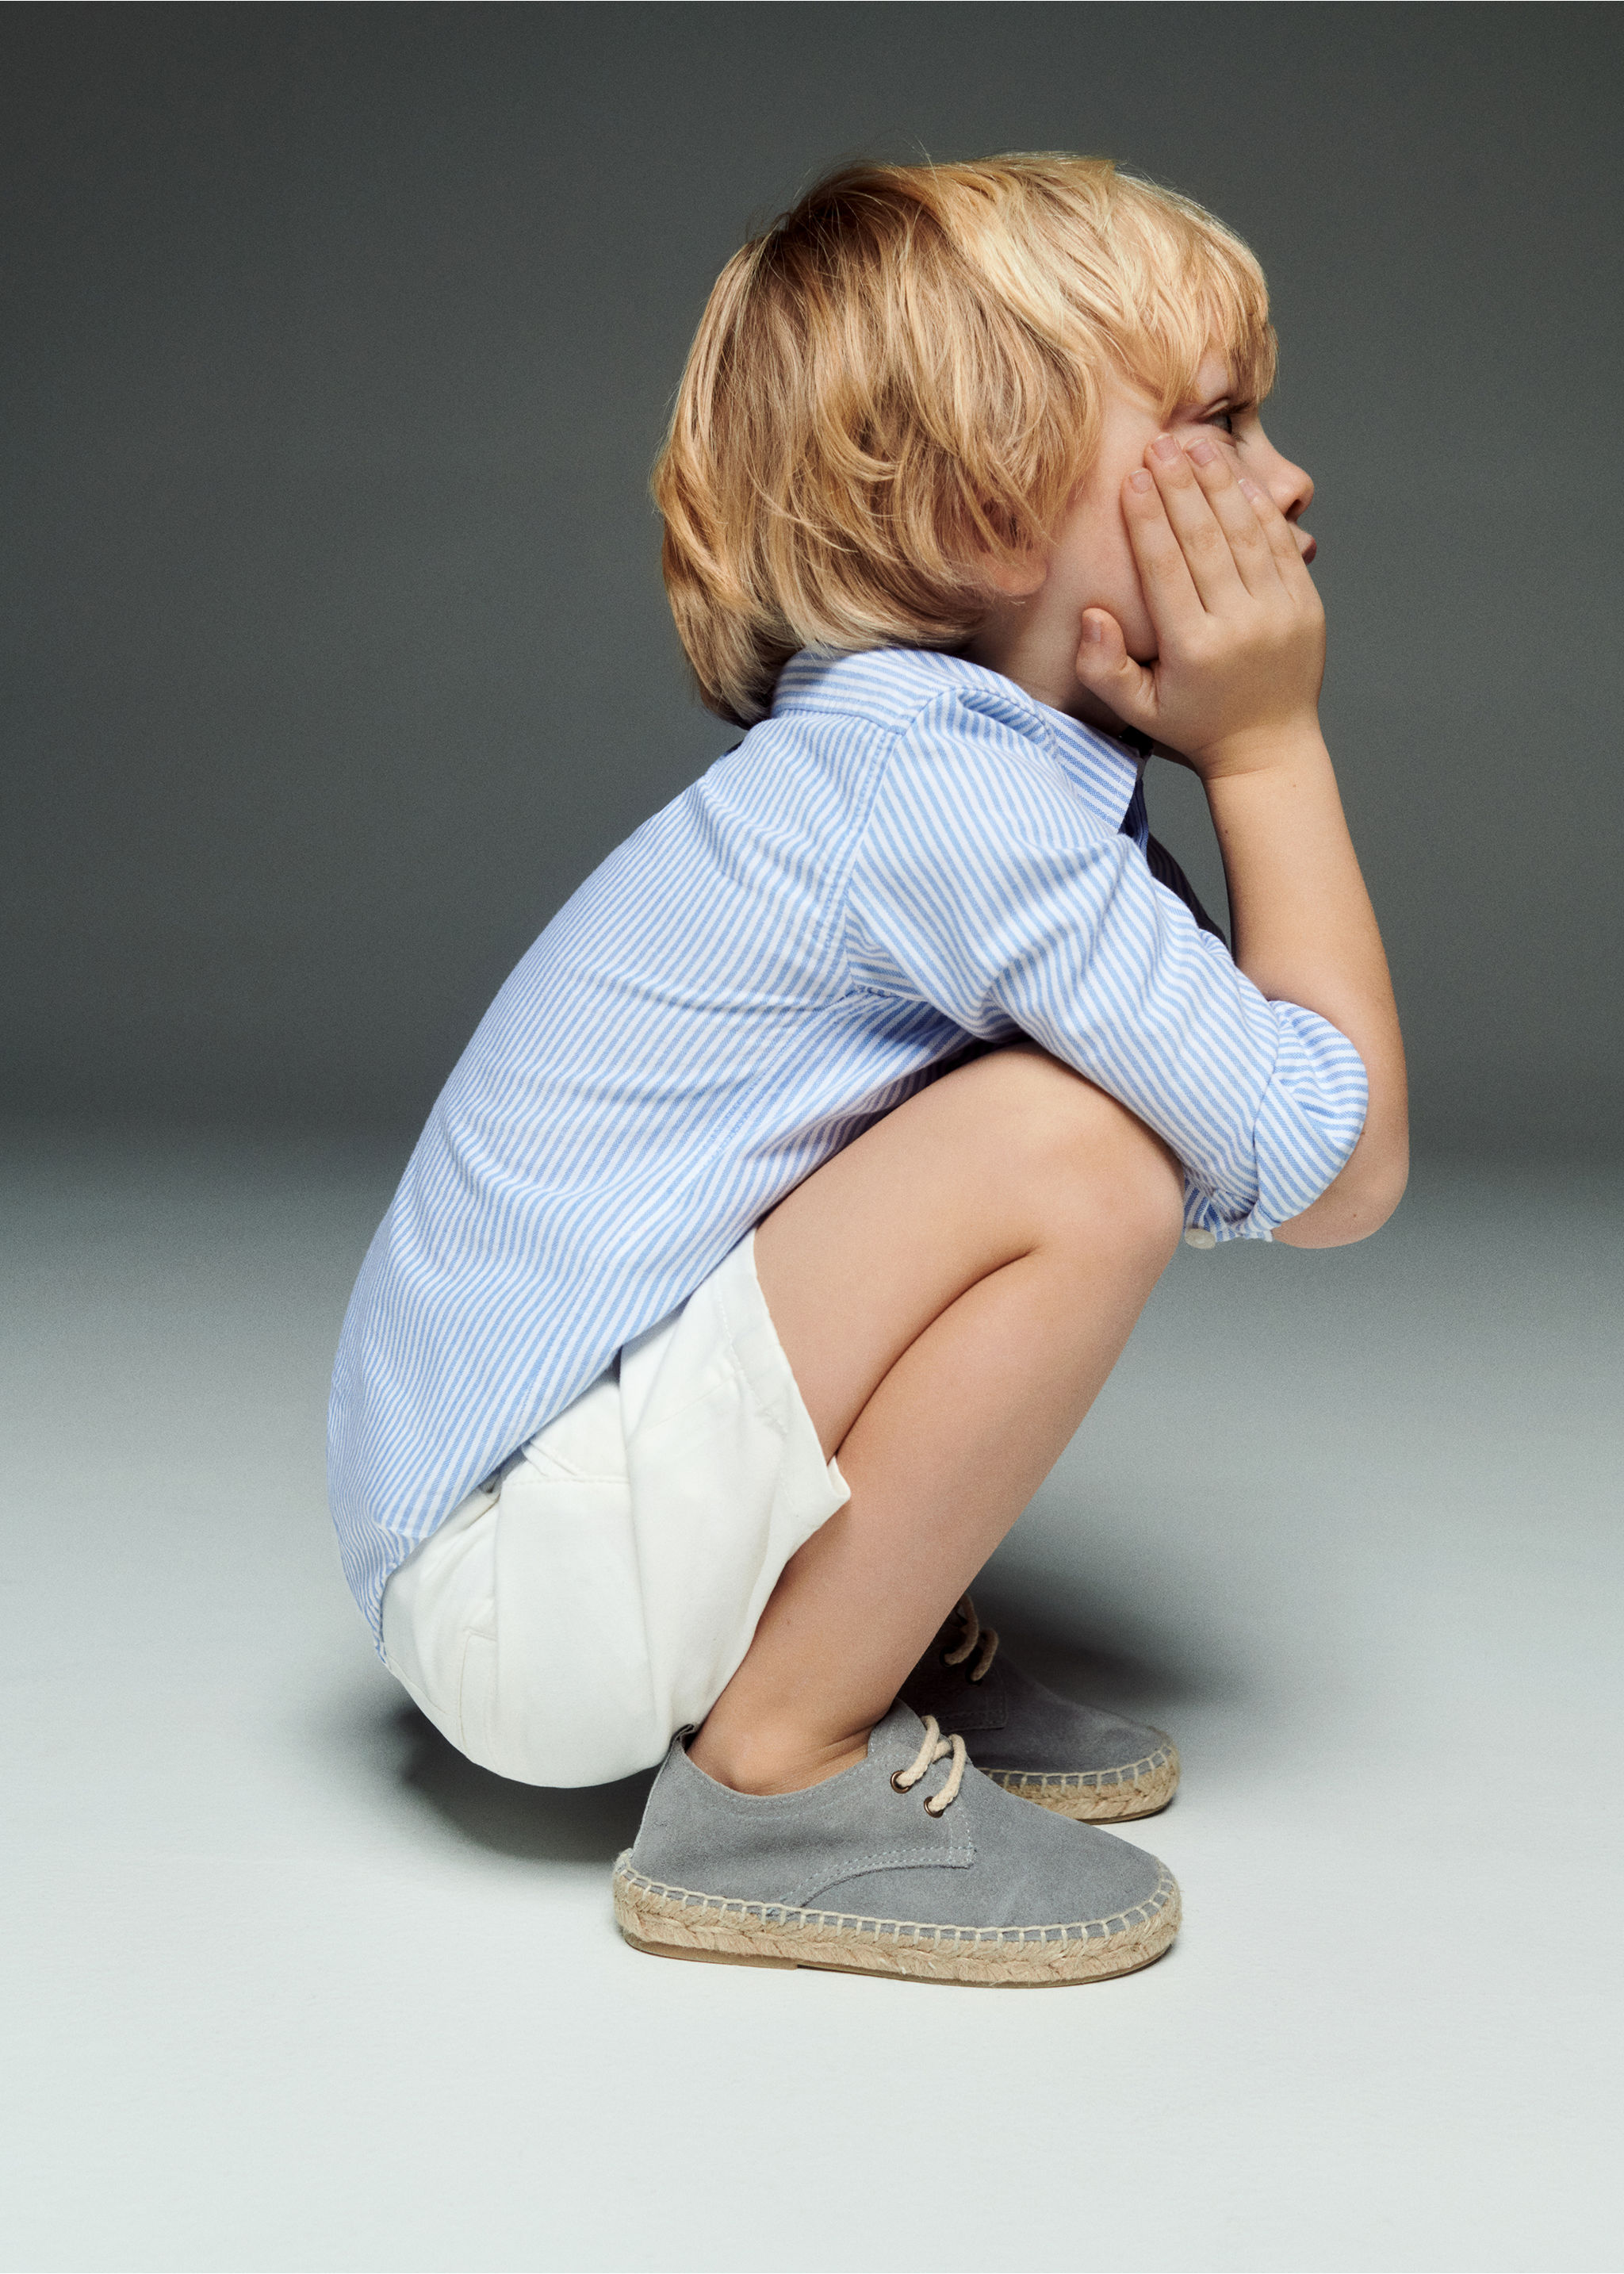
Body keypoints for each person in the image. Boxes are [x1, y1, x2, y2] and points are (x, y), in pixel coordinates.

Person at [328, 155, 1407, 1987]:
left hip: (525, 1549)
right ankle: (779, 1763)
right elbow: (1325, 1165)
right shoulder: (945, 800)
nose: (1287, 479)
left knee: (1064, 1104)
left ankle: (843, 1633)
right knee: (1082, 1155)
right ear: (989, 511)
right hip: (523, 1595)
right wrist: (1270, 746)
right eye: (1219, 422)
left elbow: (1251, 1096)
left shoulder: (954, 768)